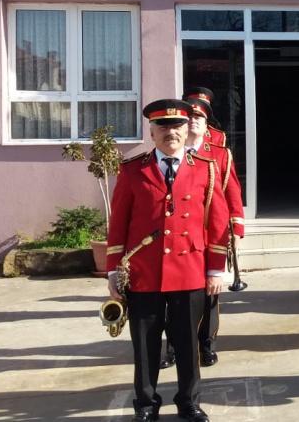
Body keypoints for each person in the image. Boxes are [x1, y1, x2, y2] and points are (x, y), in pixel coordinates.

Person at [105, 99, 228, 422]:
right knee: (145, 346)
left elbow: (217, 221)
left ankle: (188, 401)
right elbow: (118, 223)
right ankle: (146, 404)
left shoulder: (206, 167)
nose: (170, 132)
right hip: (144, 272)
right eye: (163, 127)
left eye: (177, 126)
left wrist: (216, 268)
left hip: (190, 271)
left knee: (188, 343)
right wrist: (113, 272)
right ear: (151, 131)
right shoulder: (133, 170)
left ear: (187, 129)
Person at [160, 95, 244, 370]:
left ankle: (207, 344)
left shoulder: (219, 154)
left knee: (210, 295)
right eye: (191, 117)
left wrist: (237, 226)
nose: (195, 121)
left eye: (200, 117)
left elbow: (231, 190)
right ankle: (173, 346)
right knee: (173, 296)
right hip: (178, 235)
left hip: (209, 234)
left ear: (207, 124)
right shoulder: (172, 150)